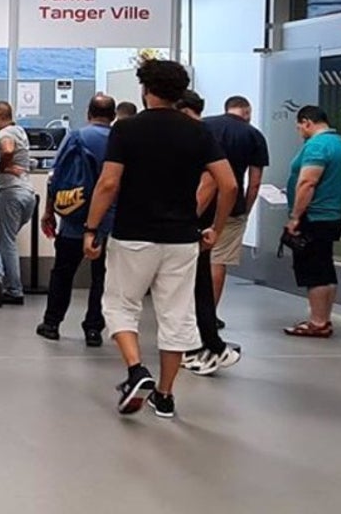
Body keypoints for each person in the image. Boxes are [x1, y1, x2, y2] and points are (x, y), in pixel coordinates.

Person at [81, 60, 236, 419]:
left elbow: (108, 183)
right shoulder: (199, 131)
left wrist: (91, 228)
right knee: (176, 315)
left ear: (145, 90)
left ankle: (136, 370)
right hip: (183, 238)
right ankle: (165, 395)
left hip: (133, 234)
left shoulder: (127, 129)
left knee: (120, 304)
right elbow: (228, 184)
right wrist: (216, 225)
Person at [37, 94, 115, 346]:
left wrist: (49, 211)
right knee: (101, 278)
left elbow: (56, 176)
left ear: (88, 113)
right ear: (112, 116)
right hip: (108, 222)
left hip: (74, 218)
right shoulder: (119, 139)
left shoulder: (76, 137)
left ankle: (51, 323)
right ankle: (93, 329)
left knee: (62, 272)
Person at [176, 91, 242, 377]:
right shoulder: (203, 132)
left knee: (190, 288)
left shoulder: (199, 133)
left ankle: (202, 347)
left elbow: (213, 183)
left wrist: (191, 220)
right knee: (198, 284)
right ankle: (212, 343)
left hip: (192, 226)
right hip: (198, 225)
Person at [283, 105, 341, 338]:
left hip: (313, 216)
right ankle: (323, 318)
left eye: (299, 127)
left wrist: (295, 217)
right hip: (332, 215)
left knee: (313, 270)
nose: (299, 131)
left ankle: (317, 322)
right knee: (325, 268)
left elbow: (307, 183)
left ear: (307, 122)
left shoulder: (317, 145)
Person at [202, 96, 270, 319]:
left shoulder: (204, 126)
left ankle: (188, 313)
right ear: (247, 111)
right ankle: (209, 315)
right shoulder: (254, 135)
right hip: (231, 207)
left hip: (198, 203)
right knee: (218, 260)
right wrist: (246, 209)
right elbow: (255, 181)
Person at [0, 101, 36, 307]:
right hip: (27, 194)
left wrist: (3, 167)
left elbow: (7, 150)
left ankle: (15, 290)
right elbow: (28, 161)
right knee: (4, 239)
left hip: (8, 194)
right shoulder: (20, 131)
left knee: (7, 242)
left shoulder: (4, 133)